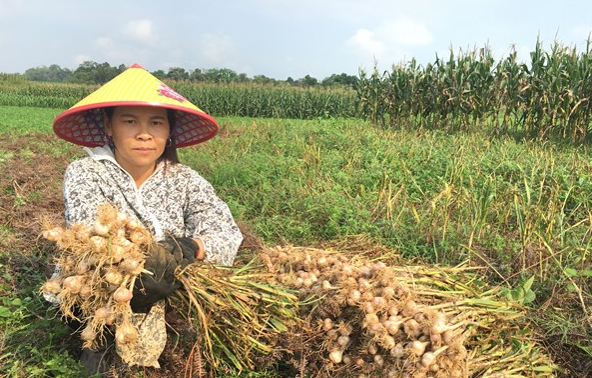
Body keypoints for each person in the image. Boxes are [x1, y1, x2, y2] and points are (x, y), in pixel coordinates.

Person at [48, 63, 243, 374]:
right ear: (108, 126)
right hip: (107, 289)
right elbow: (91, 238)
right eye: (129, 121)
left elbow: (226, 232)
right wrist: (140, 261)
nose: (144, 134)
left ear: (169, 131)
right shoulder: (85, 172)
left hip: (178, 284)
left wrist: (190, 249)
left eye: (156, 123)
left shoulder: (186, 179)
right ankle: (99, 342)